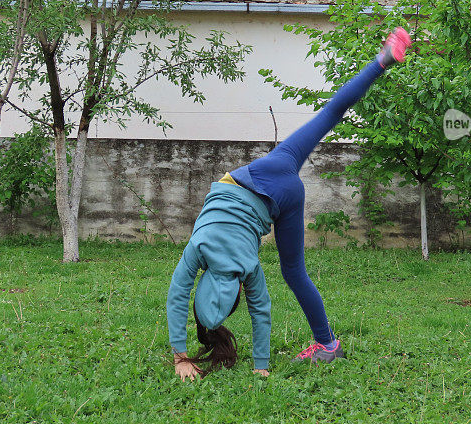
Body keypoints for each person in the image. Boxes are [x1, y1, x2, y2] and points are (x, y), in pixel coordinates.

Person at [166, 27, 413, 380]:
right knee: (329, 115)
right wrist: (180, 356)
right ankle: (381, 61)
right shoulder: (199, 247)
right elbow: (177, 296)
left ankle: (327, 344)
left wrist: (259, 368)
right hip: (267, 172)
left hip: (283, 201)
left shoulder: (249, 267)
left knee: (294, 271)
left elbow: (261, 310)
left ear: (235, 291)